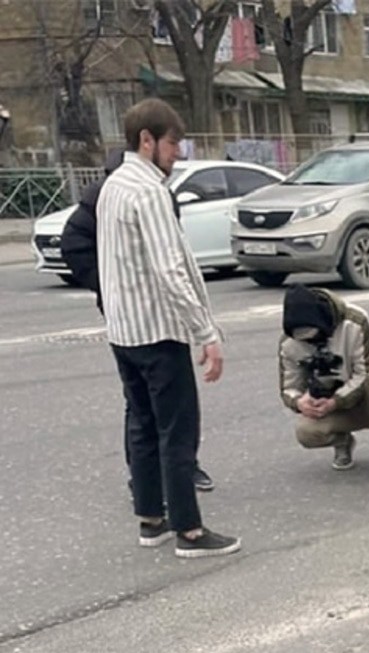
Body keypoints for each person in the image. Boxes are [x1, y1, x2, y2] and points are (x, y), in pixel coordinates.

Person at [97, 98, 238, 558]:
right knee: (177, 431)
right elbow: (170, 269)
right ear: (147, 140)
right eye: (173, 143)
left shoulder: (113, 185)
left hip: (124, 330)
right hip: (159, 330)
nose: (179, 152)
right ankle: (190, 531)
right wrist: (206, 332)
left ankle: (150, 519)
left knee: (142, 425)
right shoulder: (150, 192)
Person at [62, 148, 216, 492]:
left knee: (157, 407)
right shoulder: (113, 194)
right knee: (150, 408)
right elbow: (73, 244)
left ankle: (169, 479)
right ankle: (159, 487)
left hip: (151, 312)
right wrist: (109, 285)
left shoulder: (155, 192)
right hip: (139, 318)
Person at [279, 285, 369, 480]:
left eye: (314, 336)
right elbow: (288, 388)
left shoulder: (354, 321)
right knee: (305, 432)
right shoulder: (288, 344)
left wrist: (336, 401)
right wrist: (299, 402)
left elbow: (364, 371)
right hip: (328, 407)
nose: (310, 342)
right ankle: (342, 441)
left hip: (366, 399)